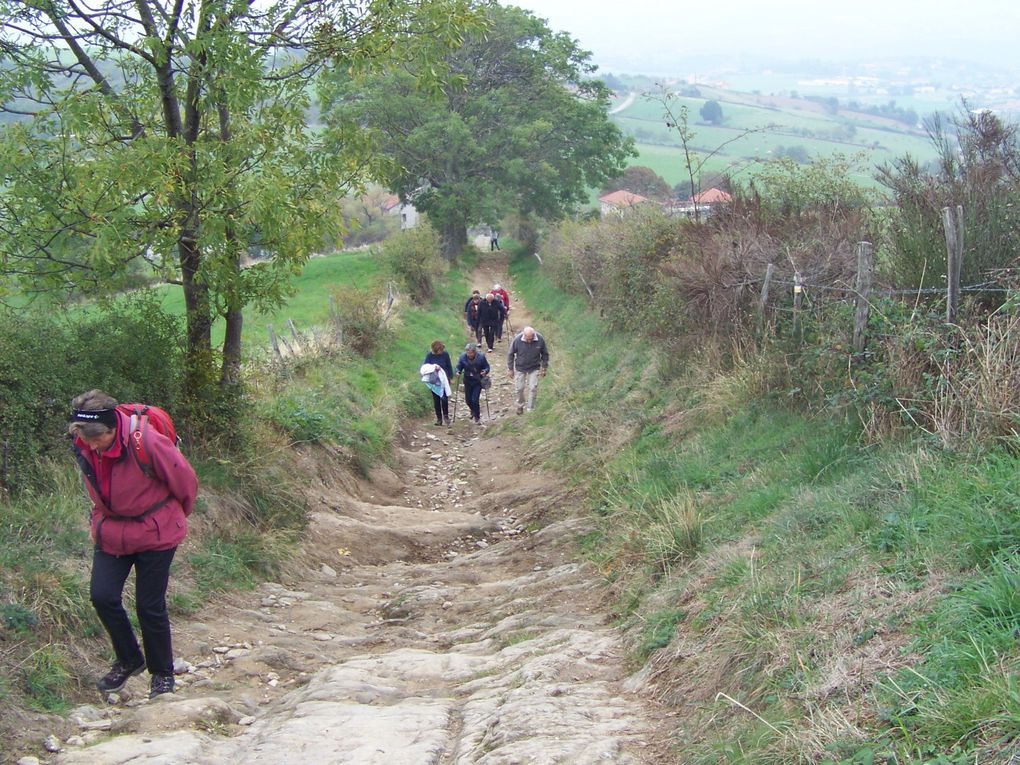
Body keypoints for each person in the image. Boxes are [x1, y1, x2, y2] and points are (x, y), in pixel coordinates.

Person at [68, 390, 197, 700]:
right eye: (87, 441)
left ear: (113, 430)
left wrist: (172, 517)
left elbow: (186, 482)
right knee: (102, 596)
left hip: (157, 530)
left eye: (97, 441)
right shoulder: (83, 442)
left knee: (149, 606)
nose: (92, 447)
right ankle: (129, 659)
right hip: (112, 531)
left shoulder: (147, 442)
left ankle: (162, 675)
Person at [506, 326, 549, 415]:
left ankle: (530, 409)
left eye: (531, 338)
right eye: (527, 339)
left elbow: (545, 354)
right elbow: (510, 354)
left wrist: (544, 368)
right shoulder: (517, 339)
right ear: (524, 335)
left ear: (534, 335)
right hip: (520, 367)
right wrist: (510, 369)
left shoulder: (540, 339)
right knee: (519, 388)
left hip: (534, 367)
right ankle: (520, 406)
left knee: (533, 388)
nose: (529, 341)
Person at [455, 343, 491, 424]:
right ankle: (473, 410)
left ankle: (477, 417)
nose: (469, 354)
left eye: (471, 353)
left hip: (477, 381)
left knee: (475, 400)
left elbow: (487, 367)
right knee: (468, 400)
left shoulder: (481, 357)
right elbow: (458, 366)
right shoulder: (462, 357)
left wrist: (484, 371)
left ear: (475, 352)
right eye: (468, 352)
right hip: (467, 381)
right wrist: (458, 371)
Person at [422, 340, 454, 426]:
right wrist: (434, 368)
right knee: (436, 400)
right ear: (435, 350)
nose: (442, 351)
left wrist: (450, 378)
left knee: (444, 398)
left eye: (442, 349)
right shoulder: (429, 356)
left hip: (444, 379)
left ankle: (446, 417)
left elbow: (449, 366)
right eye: (440, 350)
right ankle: (439, 419)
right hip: (434, 381)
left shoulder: (445, 354)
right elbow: (425, 367)